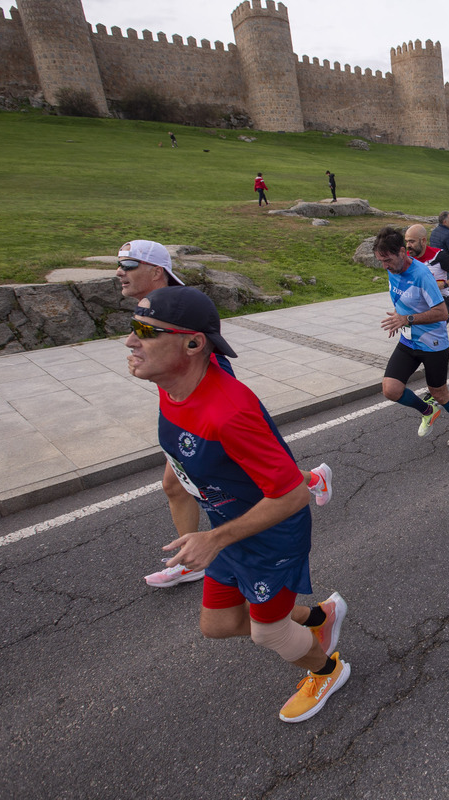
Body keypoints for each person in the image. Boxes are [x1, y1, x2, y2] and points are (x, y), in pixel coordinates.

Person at [125, 286, 349, 723]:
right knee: (218, 625)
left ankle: (328, 669)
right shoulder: (171, 383)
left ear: (192, 344)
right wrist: (181, 483)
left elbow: (290, 495)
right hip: (229, 529)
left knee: (267, 633)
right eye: (131, 328)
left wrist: (213, 538)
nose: (130, 341)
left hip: (269, 537)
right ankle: (319, 616)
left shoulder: (228, 412)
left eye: (145, 331)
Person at [114, 240, 335, 590]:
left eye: (128, 266)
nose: (119, 273)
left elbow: (232, 422)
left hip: (210, 433)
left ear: (155, 271)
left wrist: (218, 538)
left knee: (231, 468)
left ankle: (195, 554)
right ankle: (309, 480)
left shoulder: (188, 328)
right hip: (184, 423)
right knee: (178, 484)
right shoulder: (153, 315)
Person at [375, 226, 449, 446]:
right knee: (390, 389)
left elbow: (441, 313)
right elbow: (402, 299)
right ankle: (428, 411)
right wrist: (399, 316)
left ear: (401, 252)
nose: (385, 266)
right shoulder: (393, 269)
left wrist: (407, 319)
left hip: (433, 343)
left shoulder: (422, 275)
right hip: (409, 341)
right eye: (381, 261)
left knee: (439, 393)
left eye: (387, 260)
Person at [403, 224, 449, 365]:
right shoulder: (407, 259)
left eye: (412, 241)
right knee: (429, 341)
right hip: (419, 306)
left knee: (433, 342)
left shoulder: (439, 256)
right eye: (406, 241)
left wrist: (442, 284)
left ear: (423, 241)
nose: (408, 246)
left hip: (440, 304)